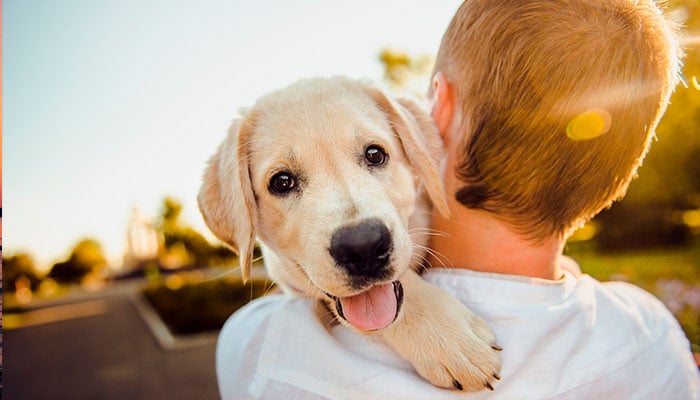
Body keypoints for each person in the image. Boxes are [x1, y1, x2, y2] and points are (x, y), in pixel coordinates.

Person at [216, 0, 700, 398]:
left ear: (434, 118)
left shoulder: (261, 350)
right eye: (284, 183)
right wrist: (410, 311)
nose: (358, 227)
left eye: (373, 155)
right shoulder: (653, 336)